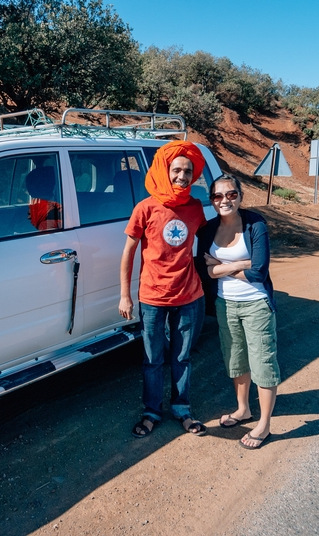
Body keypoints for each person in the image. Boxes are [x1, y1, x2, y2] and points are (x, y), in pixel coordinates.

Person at [119, 140, 208, 438]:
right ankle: (152, 411)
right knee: (152, 359)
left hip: (189, 296)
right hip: (153, 297)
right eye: (177, 170)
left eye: (188, 171)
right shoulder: (145, 208)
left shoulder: (195, 208)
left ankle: (182, 409)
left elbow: (208, 243)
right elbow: (129, 252)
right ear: (164, 170)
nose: (182, 177)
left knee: (182, 357)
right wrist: (125, 295)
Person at [197, 174, 280, 450]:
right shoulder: (207, 230)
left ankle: (264, 424)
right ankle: (243, 409)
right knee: (235, 359)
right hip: (225, 303)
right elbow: (204, 272)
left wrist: (220, 266)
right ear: (212, 200)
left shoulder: (255, 224)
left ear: (240, 196)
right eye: (218, 196)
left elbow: (258, 272)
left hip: (256, 303)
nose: (225, 200)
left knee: (262, 363)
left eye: (231, 194)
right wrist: (238, 264)